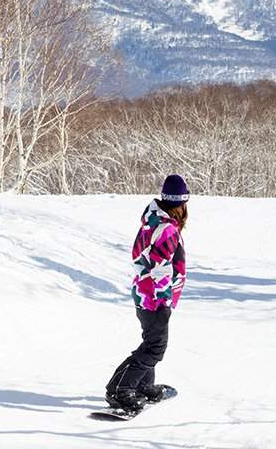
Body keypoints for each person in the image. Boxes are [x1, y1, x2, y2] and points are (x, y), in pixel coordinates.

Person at [105, 174, 189, 413]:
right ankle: (120, 389)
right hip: (154, 298)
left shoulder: (152, 221)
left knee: (151, 342)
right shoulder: (166, 229)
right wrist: (163, 300)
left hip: (145, 292)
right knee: (155, 347)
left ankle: (142, 385)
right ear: (182, 204)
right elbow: (159, 267)